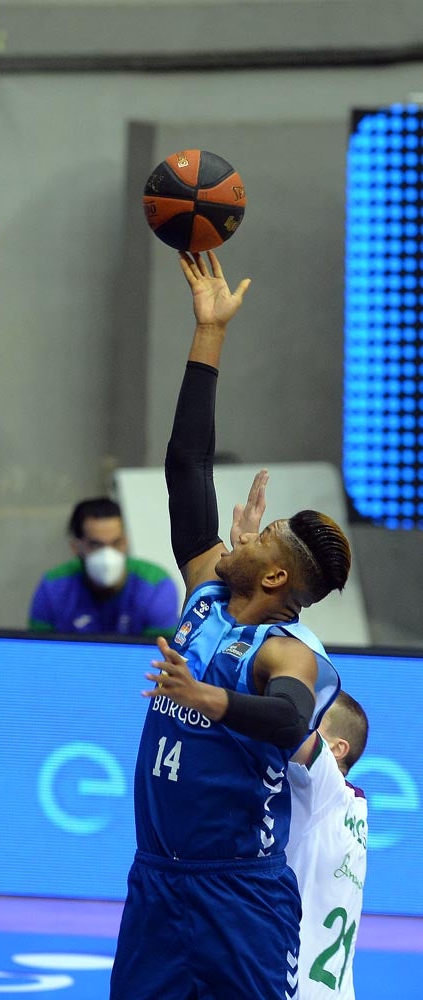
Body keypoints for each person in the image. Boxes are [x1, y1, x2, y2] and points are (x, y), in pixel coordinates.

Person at [109, 249, 352, 1000]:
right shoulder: (207, 590)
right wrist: (207, 333)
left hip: (238, 894)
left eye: (262, 536)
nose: (246, 532)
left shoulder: (289, 652)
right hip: (156, 881)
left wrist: (210, 699)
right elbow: (188, 463)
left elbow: (285, 717)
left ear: (277, 578)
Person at [287, 690, 369, 1000]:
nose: (303, 718)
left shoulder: (324, 786)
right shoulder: (355, 805)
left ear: (337, 749)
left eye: (314, 717)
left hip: (293, 990)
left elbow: (285, 727)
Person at [28, 496, 179, 637]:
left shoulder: (156, 585)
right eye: (96, 545)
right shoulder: (52, 587)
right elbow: (39, 653)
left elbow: (160, 657)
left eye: (116, 543)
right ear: (76, 547)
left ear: (125, 542)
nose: (108, 555)